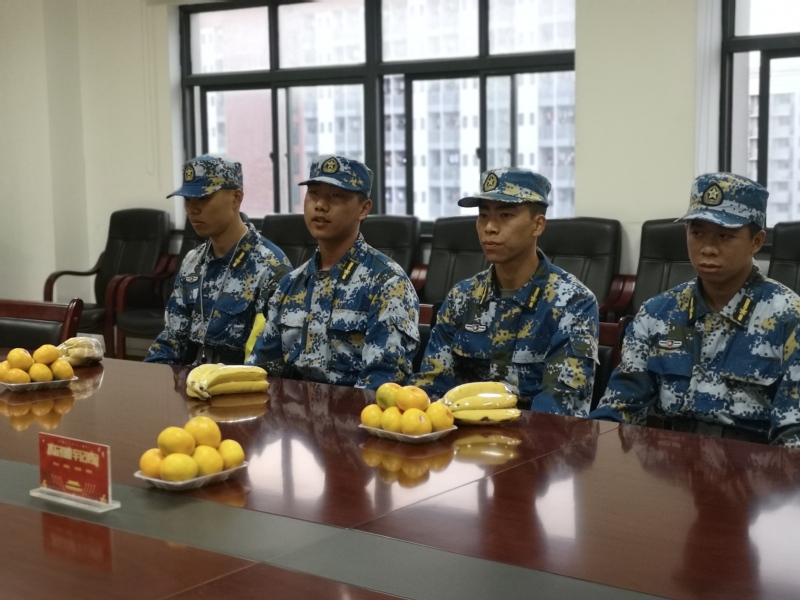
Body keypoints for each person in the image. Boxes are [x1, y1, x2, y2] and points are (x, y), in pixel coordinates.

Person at [591, 173, 800, 447]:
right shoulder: (657, 313)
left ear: (756, 241)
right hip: (668, 461)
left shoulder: (789, 319)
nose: (708, 248)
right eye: (697, 233)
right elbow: (619, 408)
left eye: (725, 235)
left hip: (750, 465)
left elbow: (793, 437)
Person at [409, 167, 599, 416]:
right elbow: (432, 387)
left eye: (505, 215)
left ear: (538, 225)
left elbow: (561, 408)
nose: (489, 227)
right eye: (483, 215)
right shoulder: (462, 297)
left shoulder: (573, 302)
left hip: (540, 436)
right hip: (463, 433)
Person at [246, 155, 419, 389]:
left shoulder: (387, 283)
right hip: (290, 411)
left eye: (336, 196)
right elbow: (261, 372)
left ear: (364, 209)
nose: (320, 205)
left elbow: (382, 383)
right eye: (314, 193)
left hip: (356, 410)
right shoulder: (290, 284)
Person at [145, 155, 292, 366]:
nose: (192, 209)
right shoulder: (193, 261)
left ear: (236, 198)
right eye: (187, 199)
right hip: (191, 378)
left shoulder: (270, 267)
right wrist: (149, 375)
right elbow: (172, 339)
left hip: (238, 381)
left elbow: (268, 360)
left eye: (203, 198)